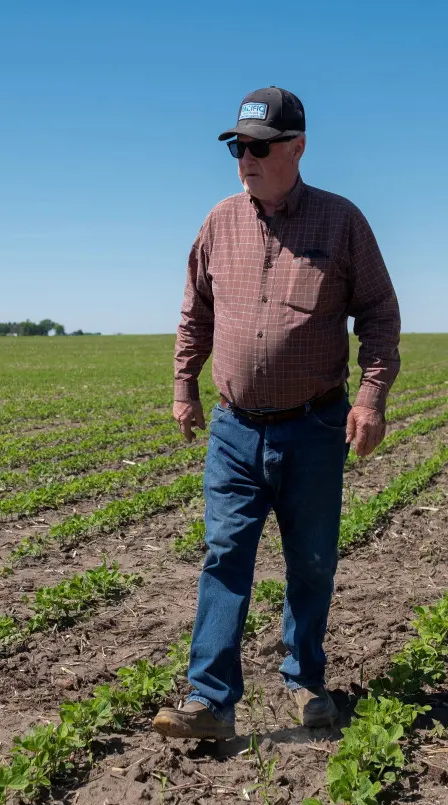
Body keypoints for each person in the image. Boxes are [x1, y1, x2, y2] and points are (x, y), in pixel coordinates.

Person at [152, 87, 402, 740]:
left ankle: (305, 682)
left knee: (311, 560)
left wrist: (372, 398)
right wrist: (185, 387)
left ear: (297, 148)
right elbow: (194, 313)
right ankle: (211, 702)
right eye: (238, 146)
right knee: (225, 555)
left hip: (315, 426)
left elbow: (378, 313)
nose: (245, 158)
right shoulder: (218, 223)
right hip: (235, 429)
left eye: (259, 146)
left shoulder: (341, 222)